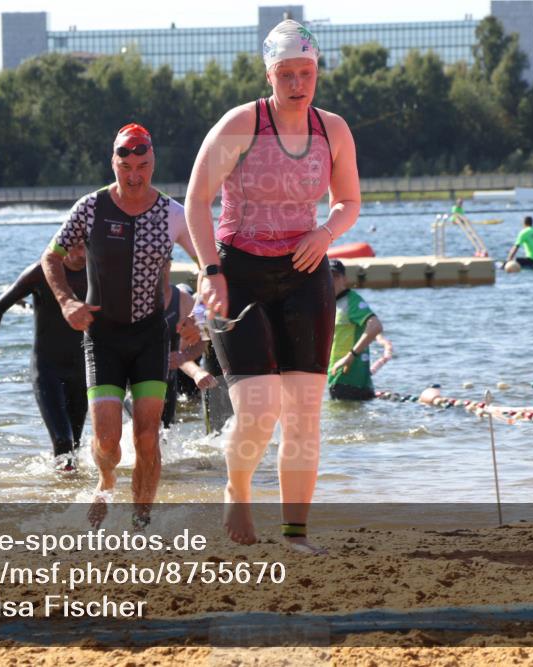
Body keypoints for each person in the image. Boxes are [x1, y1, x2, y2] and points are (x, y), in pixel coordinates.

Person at [185, 19, 361, 552]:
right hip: (238, 273)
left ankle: (295, 533)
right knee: (260, 409)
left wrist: (326, 232)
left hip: (305, 274)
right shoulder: (242, 124)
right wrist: (210, 271)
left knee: (305, 413)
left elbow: (348, 201)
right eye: (286, 74)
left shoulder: (332, 129)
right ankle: (237, 489)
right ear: (269, 75)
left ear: (317, 72)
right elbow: (196, 202)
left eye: (306, 73)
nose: (297, 83)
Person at [41, 123, 198, 525]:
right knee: (108, 441)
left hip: (150, 337)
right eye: (125, 167)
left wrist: (199, 315)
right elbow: (51, 257)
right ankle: (106, 479)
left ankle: (140, 520)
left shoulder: (173, 214)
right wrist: (66, 302)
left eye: (142, 167)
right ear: (113, 163)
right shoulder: (90, 208)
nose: (134, 177)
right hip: (103, 338)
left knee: (147, 437)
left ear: (153, 163)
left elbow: (209, 265)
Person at [0, 246, 89, 471]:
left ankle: (66, 488)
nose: (81, 255)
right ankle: (63, 487)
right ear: (64, 244)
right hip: (47, 369)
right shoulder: (41, 272)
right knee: (63, 440)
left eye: (86, 247)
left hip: (82, 370)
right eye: (76, 247)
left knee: (74, 445)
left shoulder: (96, 272)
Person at [161, 260, 217, 428]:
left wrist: (195, 371)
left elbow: (180, 355)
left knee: (190, 399)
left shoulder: (185, 304)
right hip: (170, 365)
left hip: (186, 362)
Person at [327, 260, 384, 401]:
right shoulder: (331, 303)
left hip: (351, 380)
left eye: (336, 276)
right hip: (336, 377)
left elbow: (375, 326)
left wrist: (350, 356)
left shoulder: (352, 300)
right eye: (328, 276)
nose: (331, 280)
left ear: (344, 279)